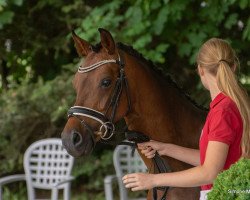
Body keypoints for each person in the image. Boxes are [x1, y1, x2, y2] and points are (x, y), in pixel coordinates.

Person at [122, 38, 250, 200]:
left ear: (200, 70)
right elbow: (210, 160)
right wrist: (165, 148)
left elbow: (209, 172)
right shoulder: (228, 106)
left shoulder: (222, 112)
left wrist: (153, 180)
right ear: (233, 66)